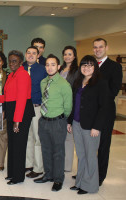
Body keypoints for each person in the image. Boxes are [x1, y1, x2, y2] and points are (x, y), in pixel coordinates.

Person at [0, 50, 34, 185]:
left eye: (15, 61)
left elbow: (21, 99)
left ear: (20, 62)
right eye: (10, 61)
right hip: (13, 112)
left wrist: (17, 121)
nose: (12, 63)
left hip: (22, 114)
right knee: (12, 144)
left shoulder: (23, 75)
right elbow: (8, 97)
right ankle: (12, 173)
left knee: (19, 146)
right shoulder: (12, 75)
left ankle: (18, 177)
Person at [68, 55, 109, 195]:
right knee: (81, 155)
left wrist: (97, 126)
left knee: (90, 155)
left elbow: (104, 107)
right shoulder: (78, 81)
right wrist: (69, 121)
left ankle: (89, 186)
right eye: (84, 65)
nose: (86, 68)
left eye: (90, 65)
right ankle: (79, 182)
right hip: (77, 123)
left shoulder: (100, 83)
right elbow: (74, 104)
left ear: (95, 67)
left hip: (91, 126)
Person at [34, 54, 72, 192]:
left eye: (53, 65)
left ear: (58, 66)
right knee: (46, 150)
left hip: (58, 122)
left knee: (58, 152)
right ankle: (48, 174)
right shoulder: (43, 82)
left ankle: (58, 179)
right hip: (44, 121)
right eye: (48, 65)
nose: (50, 67)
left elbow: (68, 106)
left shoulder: (64, 84)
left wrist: (62, 119)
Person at [93, 38, 123, 186]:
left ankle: (99, 176)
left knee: (103, 145)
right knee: (90, 145)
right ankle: (88, 172)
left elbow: (113, 90)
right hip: (90, 113)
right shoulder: (90, 65)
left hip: (105, 112)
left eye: (100, 47)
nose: (98, 49)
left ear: (106, 48)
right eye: (95, 47)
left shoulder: (114, 67)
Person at [23, 46, 47, 178]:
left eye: (34, 53)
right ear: (25, 54)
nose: (31, 55)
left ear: (38, 56)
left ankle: (38, 168)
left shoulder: (43, 70)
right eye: (29, 53)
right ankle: (28, 164)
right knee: (27, 137)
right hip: (24, 108)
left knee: (38, 138)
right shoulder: (21, 69)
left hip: (37, 107)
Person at [59, 46, 79, 172]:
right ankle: (60, 163)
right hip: (59, 106)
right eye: (65, 54)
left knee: (68, 138)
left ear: (74, 56)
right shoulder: (60, 68)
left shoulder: (77, 71)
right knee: (61, 137)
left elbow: (75, 90)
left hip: (70, 104)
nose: (67, 56)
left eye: (70, 54)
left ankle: (67, 166)